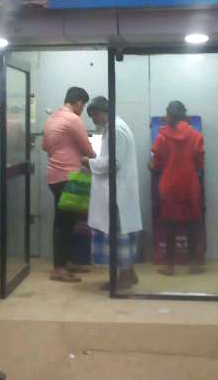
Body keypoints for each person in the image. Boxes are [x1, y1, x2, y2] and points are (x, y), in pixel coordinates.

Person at [83, 96, 142, 290]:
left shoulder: (115, 129)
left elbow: (113, 163)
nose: (93, 120)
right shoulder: (117, 126)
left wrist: (88, 162)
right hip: (121, 191)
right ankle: (129, 273)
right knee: (122, 233)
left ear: (102, 112)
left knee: (117, 236)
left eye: (94, 115)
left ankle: (123, 277)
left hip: (117, 195)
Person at [42, 87, 96, 283]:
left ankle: (66, 262)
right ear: (79, 103)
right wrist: (97, 157)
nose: (83, 110)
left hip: (54, 176)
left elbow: (45, 146)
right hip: (67, 177)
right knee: (64, 223)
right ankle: (59, 268)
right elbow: (87, 149)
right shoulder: (73, 119)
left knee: (68, 220)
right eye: (83, 105)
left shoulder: (52, 119)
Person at [149, 100, 205, 276]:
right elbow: (199, 163)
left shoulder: (162, 137)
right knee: (192, 225)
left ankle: (170, 266)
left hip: (169, 186)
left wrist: (151, 166)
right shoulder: (196, 136)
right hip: (190, 186)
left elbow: (157, 163)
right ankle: (194, 264)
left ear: (170, 116)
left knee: (170, 226)